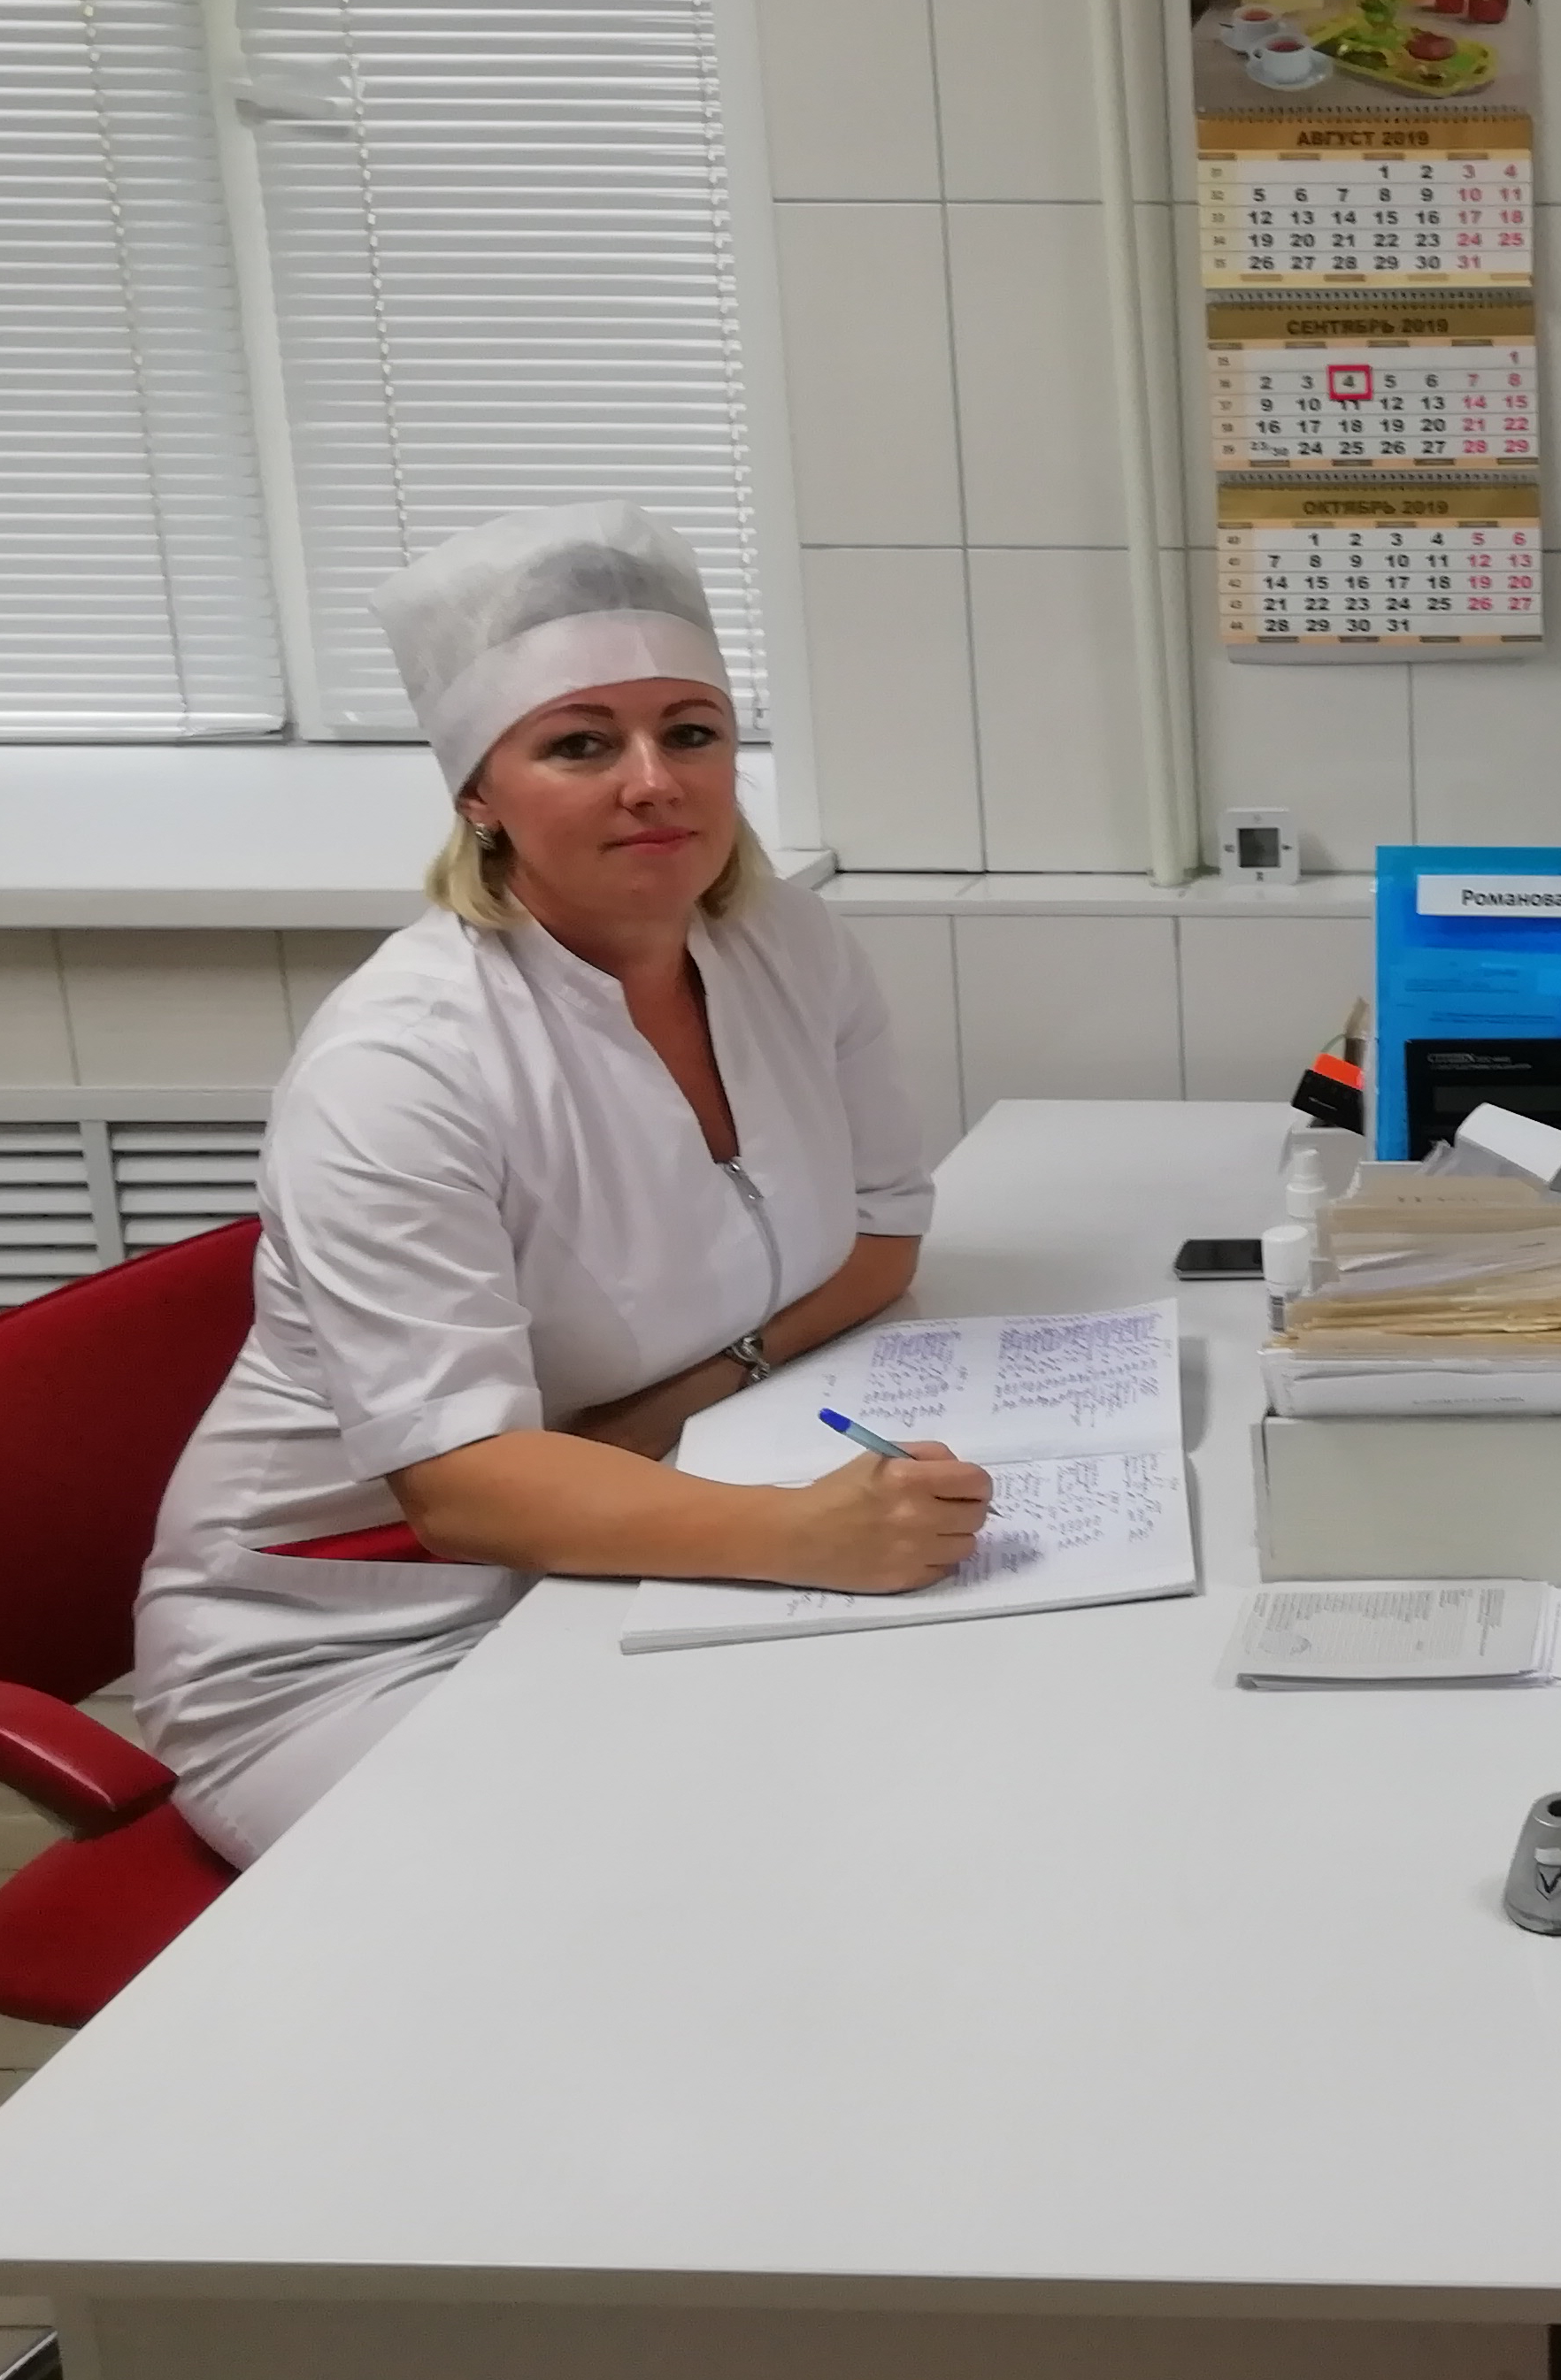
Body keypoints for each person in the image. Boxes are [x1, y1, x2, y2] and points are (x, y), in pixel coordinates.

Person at [134, 502, 989, 1865]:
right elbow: (463, 1491)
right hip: (358, 1644)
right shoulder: (401, 1063)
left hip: (627, 1540)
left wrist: (675, 1409)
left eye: (691, 732)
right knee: (686, 1878)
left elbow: (882, 1238)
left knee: (911, 1786)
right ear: (478, 792)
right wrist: (799, 1532)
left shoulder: (784, 946)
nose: (654, 782)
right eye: (581, 743)